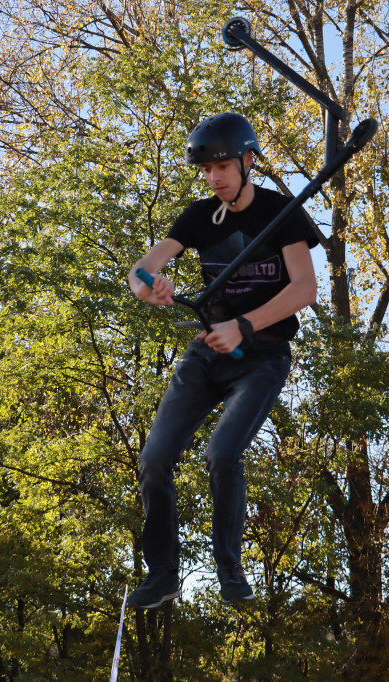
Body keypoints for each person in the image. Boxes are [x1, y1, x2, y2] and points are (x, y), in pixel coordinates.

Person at [126, 112, 319, 607]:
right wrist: (151, 286)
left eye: (223, 166)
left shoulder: (283, 213)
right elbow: (143, 269)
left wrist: (247, 324)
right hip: (206, 354)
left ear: (248, 160)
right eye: (207, 169)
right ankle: (163, 575)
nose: (214, 177)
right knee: (153, 460)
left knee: (222, 454)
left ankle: (229, 570)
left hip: (262, 356)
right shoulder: (197, 217)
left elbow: (305, 288)